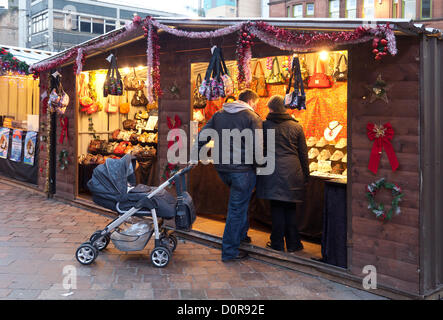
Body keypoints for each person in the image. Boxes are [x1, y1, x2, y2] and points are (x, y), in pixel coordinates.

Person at [195, 89, 262, 261]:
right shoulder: (252, 117)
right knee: (236, 209)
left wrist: (194, 155)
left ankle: (241, 237)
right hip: (242, 169)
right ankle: (230, 251)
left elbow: (202, 135)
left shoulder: (219, 114)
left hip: (222, 168)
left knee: (240, 203)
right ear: (252, 102)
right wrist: (258, 167)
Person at [256, 95, 309, 252]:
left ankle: (277, 243)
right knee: (290, 207)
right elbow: (303, 154)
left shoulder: (263, 126)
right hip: (293, 171)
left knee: (277, 208)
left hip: (271, 170)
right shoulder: (296, 127)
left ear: (271, 109)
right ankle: (294, 244)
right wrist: (306, 176)